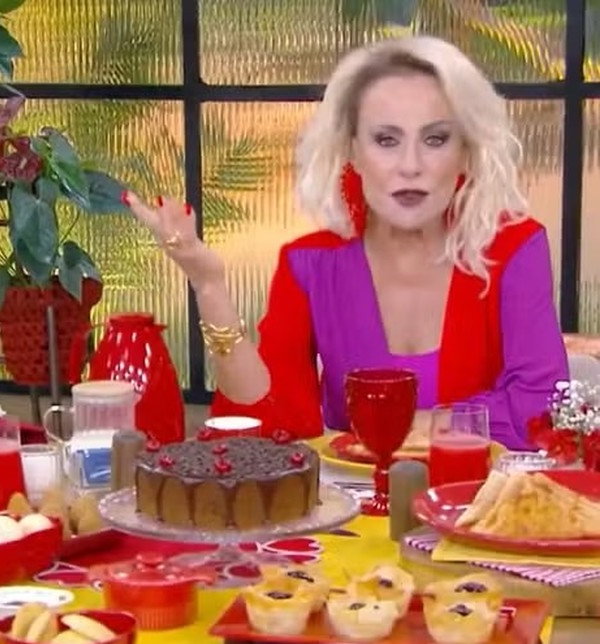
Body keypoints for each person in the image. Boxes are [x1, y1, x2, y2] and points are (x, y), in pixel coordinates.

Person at [125, 35, 568, 451]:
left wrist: (402, 429)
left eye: (435, 138)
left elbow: (541, 412)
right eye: (386, 140)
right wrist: (209, 287)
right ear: (352, 150)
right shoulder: (310, 264)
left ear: (466, 151)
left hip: (480, 509)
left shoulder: (514, 249)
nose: (410, 165)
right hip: (354, 519)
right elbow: (269, 424)